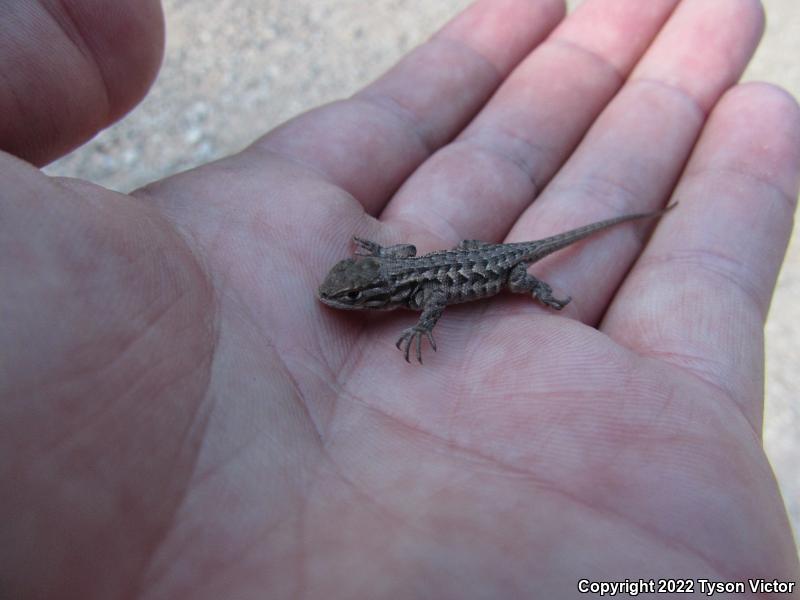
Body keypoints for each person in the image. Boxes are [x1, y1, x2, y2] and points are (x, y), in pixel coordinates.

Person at [2, 0, 798, 597]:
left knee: (522, 282)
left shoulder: (412, 295)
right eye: (353, 295)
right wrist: (382, 262)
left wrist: (486, 299)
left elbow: (428, 289)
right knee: (492, 267)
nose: (339, 301)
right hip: (463, 260)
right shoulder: (397, 281)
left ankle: (553, 283)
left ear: (377, 297)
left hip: (491, 265)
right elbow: (407, 263)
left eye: (353, 297)